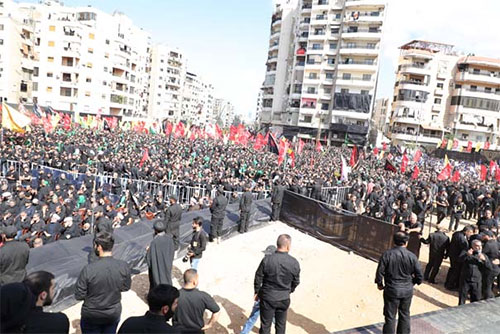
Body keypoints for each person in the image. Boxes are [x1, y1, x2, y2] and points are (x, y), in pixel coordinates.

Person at [75, 231, 132, 334]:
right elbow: (126, 287)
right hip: (112, 312)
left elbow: (79, 295)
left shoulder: (89, 269)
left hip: (92, 314)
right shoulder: (123, 266)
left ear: (99, 247)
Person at [375, 232, 423, 334]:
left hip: (391, 289)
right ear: (406, 242)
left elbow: (380, 272)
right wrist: (411, 283)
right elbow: (420, 277)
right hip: (407, 290)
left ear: (394, 241)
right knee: (405, 314)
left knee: (390, 316)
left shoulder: (387, 254)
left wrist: (380, 284)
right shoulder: (412, 256)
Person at [254, 234, 300, 334]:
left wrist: (257, 292)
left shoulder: (267, 260)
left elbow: (258, 277)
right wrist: (289, 291)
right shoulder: (294, 262)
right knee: (281, 325)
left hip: (268, 297)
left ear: (277, 244)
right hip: (283, 298)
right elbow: (296, 281)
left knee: (265, 325)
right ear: (288, 246)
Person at [241, 245, 276, 334]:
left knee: (255, 317)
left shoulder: (265, 263)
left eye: (268, 254)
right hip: (270, 296)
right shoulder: (276, 265)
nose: (265, 256)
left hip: (264, 296)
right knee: (273, 318)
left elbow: (258, 277)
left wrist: (257, 292)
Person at [173, 269, 220, 333]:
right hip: (197, 331)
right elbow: (216, 311)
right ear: (194, 282)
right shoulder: (203, 296)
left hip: (178, 331)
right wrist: (209, 325)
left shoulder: (175, 295)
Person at [458, 239, 492, 305]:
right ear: (472, 246)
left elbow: (489, 268)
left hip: (476, 281)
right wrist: (467, 255)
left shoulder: (483, 256)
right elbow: (459, 261)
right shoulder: (466, 252)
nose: (479, 247)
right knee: (462, 298)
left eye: (480, 246)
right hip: (465, 280)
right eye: (477, 246)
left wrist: (485, 260)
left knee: (476, 300)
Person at [147, 220, 176, 289]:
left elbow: (149, 259)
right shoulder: (169, 239)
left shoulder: (154, 242)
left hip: (157, 267)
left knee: (157, 280)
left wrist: (148, 250)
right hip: (167, 264)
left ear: (155, 230)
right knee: (167, 277)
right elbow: (172, 252)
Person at [445, 225, 474, 291]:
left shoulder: (457, 233)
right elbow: (464, 247)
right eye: (471, 232)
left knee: (452, 269)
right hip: (457, 257)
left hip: (453, 255)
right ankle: (450, 285)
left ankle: (448, 283)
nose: (471, 234)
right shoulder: (461, 238)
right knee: (455, 271)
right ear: (467, 232)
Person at [480, 231, 499, 299]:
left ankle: (488, 298)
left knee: (487, 285)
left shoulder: (488, 244)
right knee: (490, 284)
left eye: (483, 236)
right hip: (495, 268)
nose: (482, 237)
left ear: (487, 236)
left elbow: (482, 254)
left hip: (490, 268)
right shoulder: (496, 243)